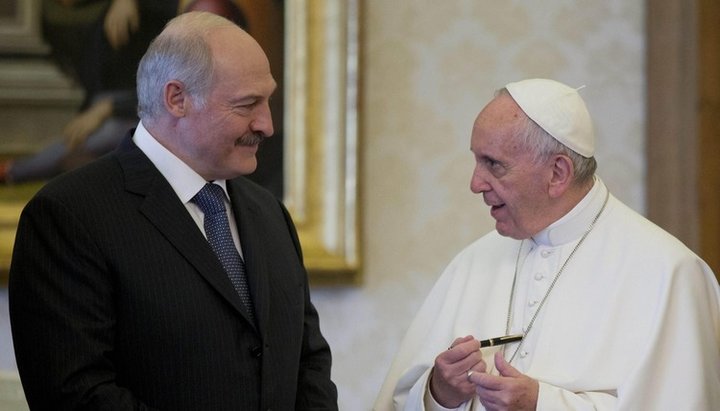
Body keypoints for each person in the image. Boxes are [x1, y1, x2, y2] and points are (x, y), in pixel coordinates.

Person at [9, 11, 338, 410]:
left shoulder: (269, 212)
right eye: (248, 104)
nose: (266, 124)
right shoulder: (68, 215)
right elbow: (77, 393)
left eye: (267, 99)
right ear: (177, 98)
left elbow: (309, 362)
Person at [374, 78, 720, 410]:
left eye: (494, 164)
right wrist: (439, 393)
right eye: (476, 160)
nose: (476, 183)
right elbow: (400, 400)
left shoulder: (668, 273)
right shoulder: (473, 262)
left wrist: (543, 405)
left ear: (557, 173)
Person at [0, 0, 178, 185]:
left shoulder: (170, 15)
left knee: (107, 135)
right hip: (123, 105)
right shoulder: (101, 17)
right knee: (79, 154)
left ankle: (11, 171)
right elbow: (97, 81)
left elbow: (165, 92)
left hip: (152, 115)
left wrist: (107, 108)